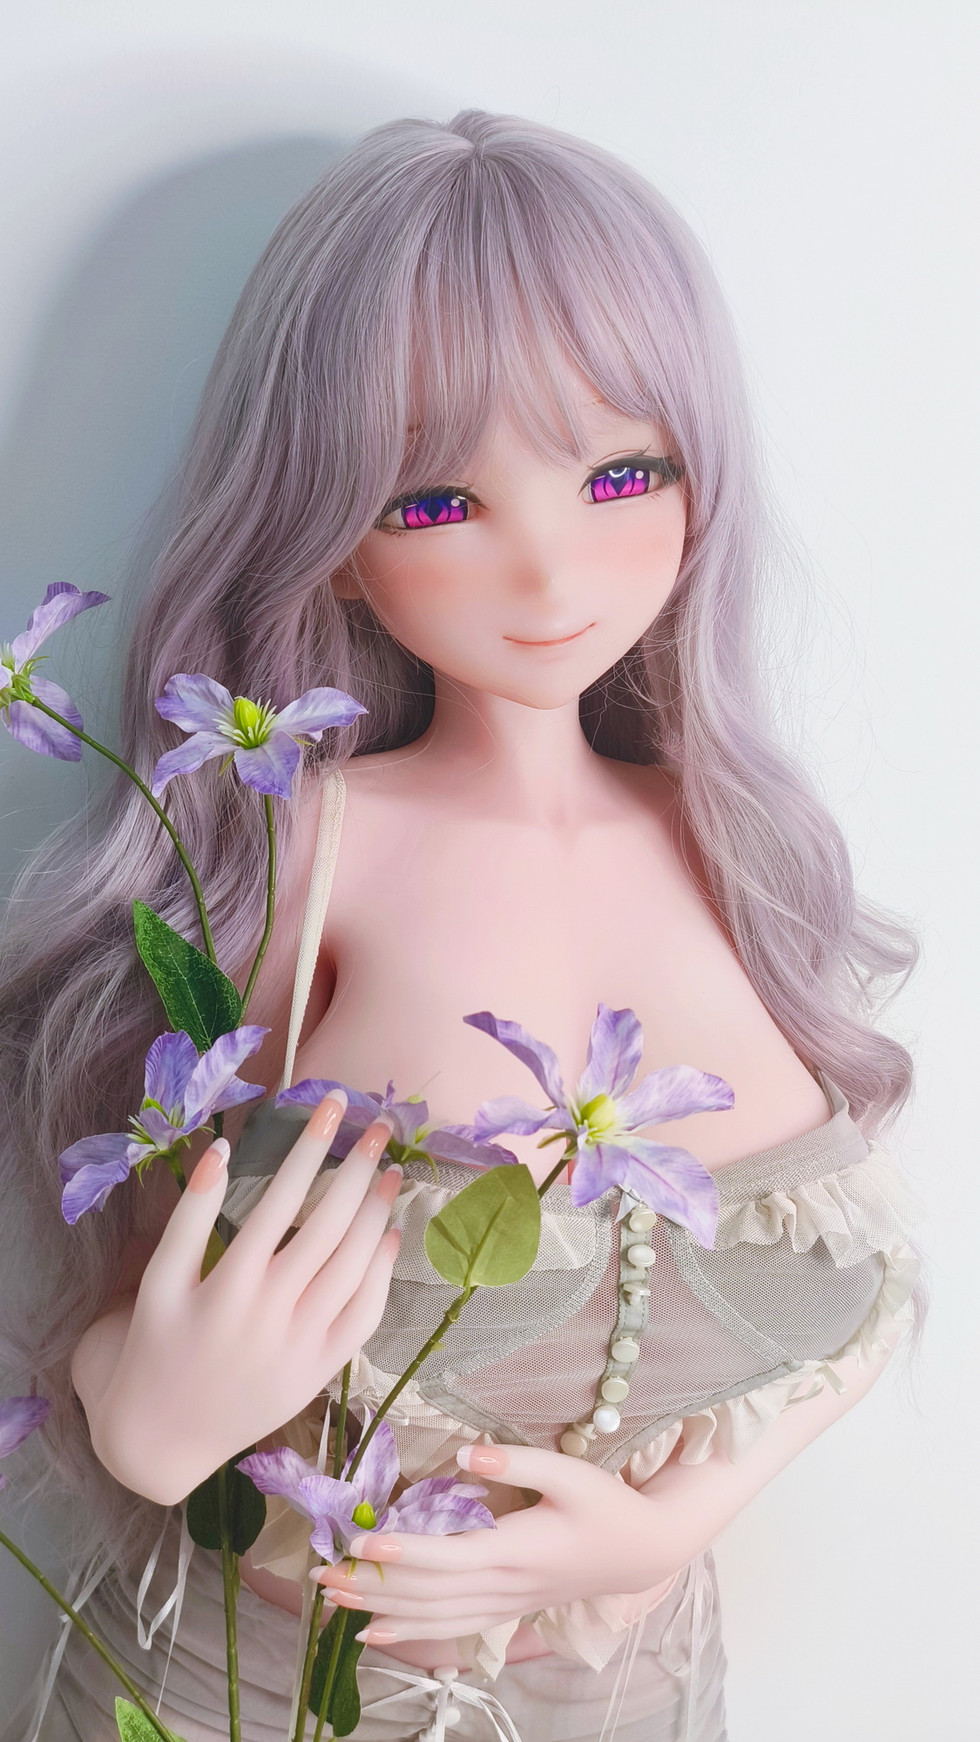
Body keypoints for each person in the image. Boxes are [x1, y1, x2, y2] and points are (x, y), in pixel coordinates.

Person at [0, 109, 929, 1741]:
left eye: (621, 473)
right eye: (437, 501)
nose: (550, 568)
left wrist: (669, 1524)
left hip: (632, 1700)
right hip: (246, 1695)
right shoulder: (309, 844)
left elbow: (860, 1283)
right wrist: (146, 1423)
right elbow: (129, 1258)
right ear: (332, 545)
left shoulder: (737, 847)